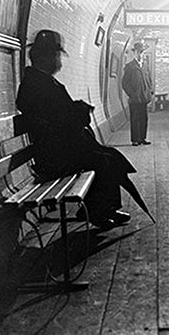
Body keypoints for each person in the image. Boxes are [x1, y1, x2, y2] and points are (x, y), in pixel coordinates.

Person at [16, 29, 134, 230]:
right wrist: (79, 111)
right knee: (104, 160)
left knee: (108, 156)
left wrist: (76, 110)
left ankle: (104, 208)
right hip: (54, 156)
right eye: (56, 54)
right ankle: (97, 210)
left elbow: (57, 115)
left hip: (58, 149)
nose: (59, 59)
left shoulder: (38, 81)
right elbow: (57, 119)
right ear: (47, 57)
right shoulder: (38, 84)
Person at [121, 41, 153, 146]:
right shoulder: (129, 66)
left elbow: (149, 79)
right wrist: (132, 94)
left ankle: (142, 138)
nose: (140, 54)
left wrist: (150, 91)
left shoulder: (145, 65)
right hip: (134, 98)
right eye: (139, 52)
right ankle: (135, 139)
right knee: (135, 118)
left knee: (144, 118)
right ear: (134, 53)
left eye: (142, 52)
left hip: (144, 97)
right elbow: (124, 82)